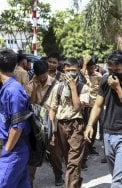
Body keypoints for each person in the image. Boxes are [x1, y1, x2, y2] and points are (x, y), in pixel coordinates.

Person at [84, 50, 122, 188]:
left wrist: (118, 88)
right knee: (121, 178)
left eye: (118, 70)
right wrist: (90, 125)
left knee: (117, 183)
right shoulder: (105, 79)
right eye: (110, 70)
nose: (114, 74)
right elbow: (98, 105)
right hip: (108, 134)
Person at [0, 48, 31, 187]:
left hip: (15, 150)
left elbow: (17, 127)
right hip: (13, 148)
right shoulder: (6, 89)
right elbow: (1, 124)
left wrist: (7, 152)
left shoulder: (14, 91)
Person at [46, 58, 90, 188]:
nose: (71, 73)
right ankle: (75, 182)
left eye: (74, 70)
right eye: (68, 70)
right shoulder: (58, 87)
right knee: (68, 160)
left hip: (76, 125)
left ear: (78, 71)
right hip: (60, 125)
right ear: (64, 70)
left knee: (74, 162)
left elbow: (77, 107)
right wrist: (52, 131)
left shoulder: (83, 87)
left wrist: (73, 88)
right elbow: (52, 109)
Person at [26, 60, 64, 186]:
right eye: (39, 75)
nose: (42, 78)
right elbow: (30, 105)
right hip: (36, 123)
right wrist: (34, 89)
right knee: (34, 152)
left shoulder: (56, 84)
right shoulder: (31, 84)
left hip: (51, 121)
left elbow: (57, 107)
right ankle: (30, 181)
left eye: (44, 74)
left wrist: (53, 130)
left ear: (47, 71)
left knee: (54, 151)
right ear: (35, 74)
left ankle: (58, 175)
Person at [80, 55, 102, 170]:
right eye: (88, 67)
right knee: (84, 129)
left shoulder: (98, 76)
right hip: (84, 106)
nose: (90, 69)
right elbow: (79, 77)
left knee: (93, 128)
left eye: (92, 67)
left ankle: (90, 147)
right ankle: (85, 151)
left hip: (94, 106)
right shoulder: (82, 74)